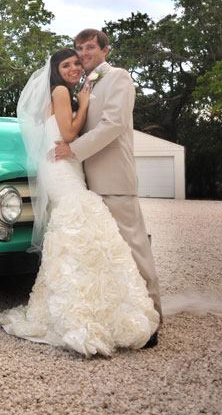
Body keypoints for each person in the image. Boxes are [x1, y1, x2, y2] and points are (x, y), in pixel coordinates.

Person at [0, 47, 159, 357]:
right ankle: (80, 304)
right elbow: (68, 134)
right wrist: (83, 105)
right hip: (61, 166)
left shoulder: (58, 93)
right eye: (66, 64)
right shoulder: (59, 91)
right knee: (79, 220)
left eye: (75, 63)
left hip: (65, 165)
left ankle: (84, 296)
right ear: (56, 70)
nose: (73, 68)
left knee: (75, 227)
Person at [54, 28, 163, 345]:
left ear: (105, 50)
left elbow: (113, 124)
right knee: (108, 253)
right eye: (79, 48)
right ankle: (124, 318)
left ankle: (154, 319)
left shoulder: (119, 78)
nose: (84, 53)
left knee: (134, 247)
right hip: (88, 182)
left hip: (115, 178)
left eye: (89, 48)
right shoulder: (83, 83)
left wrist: (73, 150)